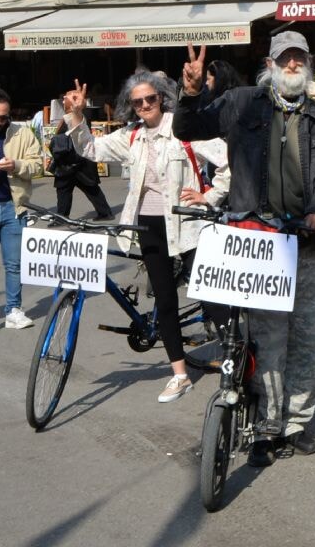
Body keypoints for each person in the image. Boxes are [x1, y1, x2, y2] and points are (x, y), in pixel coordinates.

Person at [174, 34, 315, 465]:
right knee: (270, 341)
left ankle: (296, 423)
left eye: (299, 58)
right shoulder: (242, 102)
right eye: (285, 58)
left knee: (308, 336)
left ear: (307, 63)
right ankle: (267, 426)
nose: (292, 65)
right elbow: (188, 128)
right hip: (259, 241)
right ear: (270, 61)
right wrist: (190, 93)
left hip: (308, 244)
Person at [62, 73, 229, 401]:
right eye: (137, 102)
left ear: (162, 98)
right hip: (148, 225)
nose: (144, 106)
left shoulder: (183, 128)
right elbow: (91, 148)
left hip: (188, 223)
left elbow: (229, 162)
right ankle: (179, 375)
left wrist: (209, 197)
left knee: (209, 293)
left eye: (150, 99)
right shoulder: (132, 136)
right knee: (165, 300)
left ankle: (239, 357)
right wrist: (77, 115)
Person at [0, 89, 43, 330]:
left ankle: (14, 310)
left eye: (5, 117)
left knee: (15, 263)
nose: (1, 122)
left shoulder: (23, 133)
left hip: (13, 207)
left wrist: (16, 165)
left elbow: (38, 165)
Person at [47, 99, 114, 222]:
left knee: (91, 189)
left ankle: (105, 213)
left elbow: (78, 140)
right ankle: (62, 217)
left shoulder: (79, 117)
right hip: (67, 164)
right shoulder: (67, 117)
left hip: (79, 164)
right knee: (64, 191)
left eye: (67, 98)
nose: (63, 101)